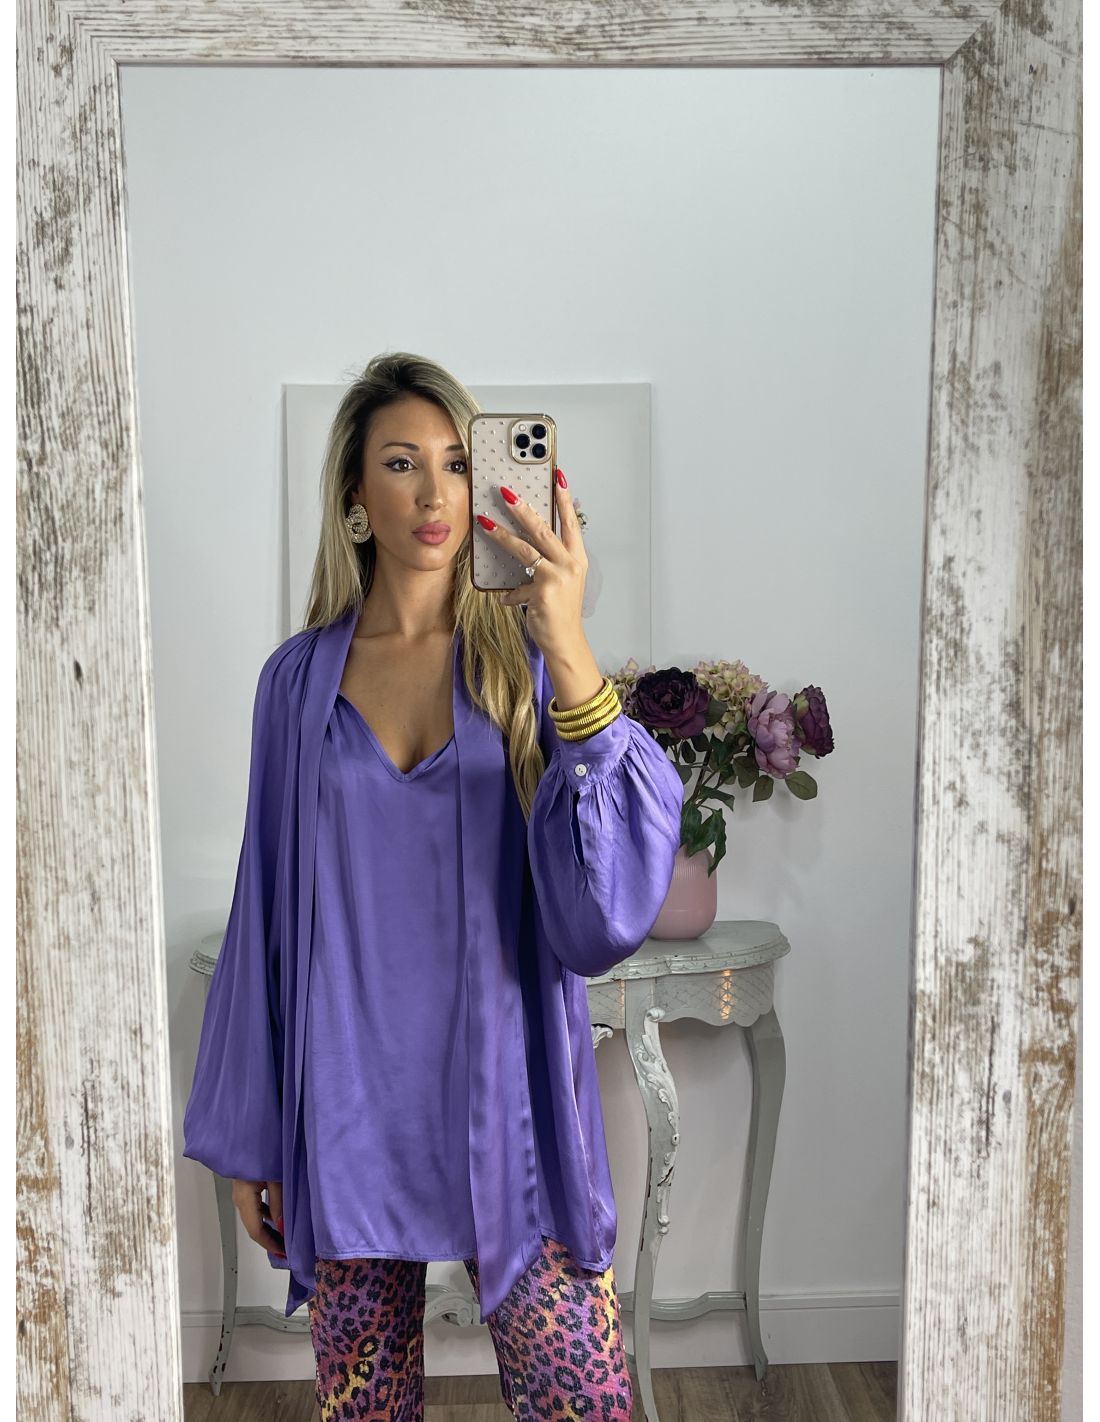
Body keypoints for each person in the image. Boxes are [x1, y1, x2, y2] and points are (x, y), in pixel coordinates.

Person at [182, 351, 684, 1420]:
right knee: (363, 1408)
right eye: (401, 463)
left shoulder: (528, 666)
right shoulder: (296, 683)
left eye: (457, 464)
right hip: (346, 1106)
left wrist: (568, 640)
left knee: (583, 1400)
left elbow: (605, 913)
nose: (432, 493)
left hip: (510, 1094)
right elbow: (264, 910)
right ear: (356, 496)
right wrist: (254, 1137)